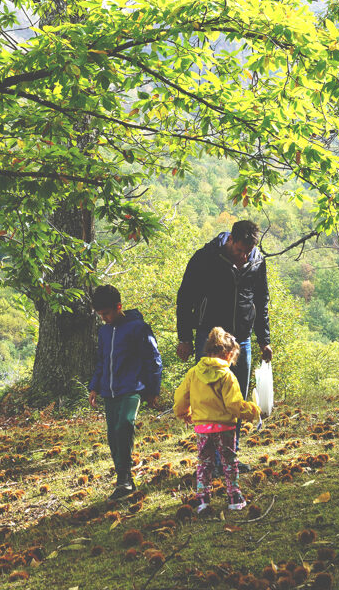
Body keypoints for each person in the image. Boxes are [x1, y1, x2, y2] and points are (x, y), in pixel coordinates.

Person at [176, 219, 272, 471]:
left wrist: (264, 340)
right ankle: (210, 459)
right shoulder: (205, 258)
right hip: (210, 338)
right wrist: (184, 337)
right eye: (239, 251)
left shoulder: (257, 261)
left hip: (241, 339)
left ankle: (229, 457)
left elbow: (261, 300)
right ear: (230, 240)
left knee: (235, 397)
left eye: (247, 252)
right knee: (209, 398)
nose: (243, 257)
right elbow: (185, 298)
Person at [173, 327, 260, 512]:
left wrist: (184, 414)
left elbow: (181, 398)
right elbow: (234, 405)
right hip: (225, 427)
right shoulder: (227, 376)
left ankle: (202, 499)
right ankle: (234, 497)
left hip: (202, 428)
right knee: (229, 461)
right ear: (228, 354)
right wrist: (253, 410)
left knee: (204, 463)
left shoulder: (194, 373)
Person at [89, 285, 162, 500]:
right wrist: (94, 387)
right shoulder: (103, 332)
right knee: (113, 434)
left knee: (124, 425)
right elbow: (101, 362)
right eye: (100, 315)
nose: (104, 318)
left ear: (118, 307)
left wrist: (152, 390)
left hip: (132, 388)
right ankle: (123, 478)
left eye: (107, 313)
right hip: (109, 392)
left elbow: (153, 359)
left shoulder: (138, 327)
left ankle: (125, 477)